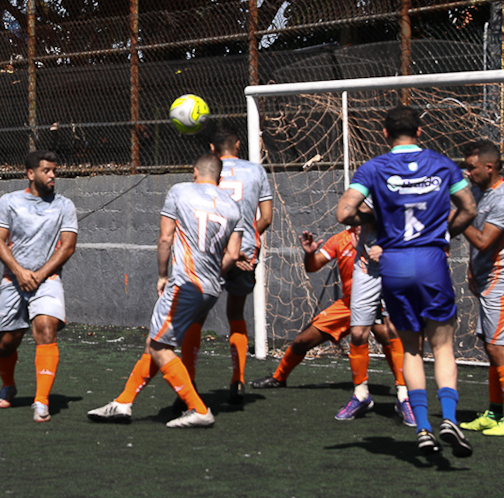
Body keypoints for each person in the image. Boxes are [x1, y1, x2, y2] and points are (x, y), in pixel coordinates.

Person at [337, 105, 477, 456]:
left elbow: (344, 212)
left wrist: (378, 218)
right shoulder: (442, 164)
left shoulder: (373, 168)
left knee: (411, 349)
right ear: (420, 131)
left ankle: (424, 428)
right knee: (443, 346)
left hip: (395, 264)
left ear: (385, 133)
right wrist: (444, 232)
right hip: (431, 261)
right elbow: (470, 209)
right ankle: (449, 418)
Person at [88, 153, 248, 429]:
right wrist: (211, 274)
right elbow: (233, 254)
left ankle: (198, 409)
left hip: (185, 283)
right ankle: (123, 402)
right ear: (219, 177)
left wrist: (162, 275)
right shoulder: (234, 206)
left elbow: (165, 238)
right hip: (211, 288)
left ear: (195, 171)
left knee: (160, 346)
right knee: (156, 341)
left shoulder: (180, 191)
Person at [250, 226, 413, 425]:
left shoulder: (385, 236)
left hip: (379, 302)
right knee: (302, 341)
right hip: (348, 304)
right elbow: (313, 266)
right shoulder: (340, 239)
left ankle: (404, 392)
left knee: (387, 335)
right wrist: (310, 254)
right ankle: (278, 378)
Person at [178, 122, 272, 407]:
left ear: (211, 149)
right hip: (245, 251)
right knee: (236, 313)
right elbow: (266, 217)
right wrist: (245, 242)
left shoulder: (206, 171)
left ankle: (188, 383)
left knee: (195, 316)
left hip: (211, 251)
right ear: (238, 145)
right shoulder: (256, 171)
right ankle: (238, 379)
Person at [0, 149, 78, 423]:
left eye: (54, 170)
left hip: (47, 281)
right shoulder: (9, 201)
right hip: (13, 281)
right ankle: (8, 385)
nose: (52, 175)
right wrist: (19, 272)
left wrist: (39, 275)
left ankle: (41, 401)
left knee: (46, 329)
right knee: (6, 345)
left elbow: (67, 247)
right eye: (46, 170)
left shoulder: (65, 205)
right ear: (31, 173)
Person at [458, 139, 504, 437]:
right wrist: (472, 269)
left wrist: (456, 218)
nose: (468, 172)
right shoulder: (480, 191)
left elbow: (483, 241)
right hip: (488, 280)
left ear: (489, 167)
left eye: (472, 168)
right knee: (490, 346)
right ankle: (493, 413)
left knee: (498, 347)